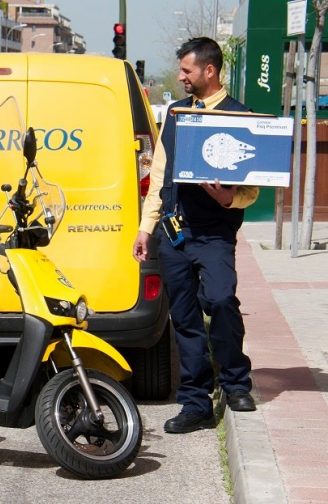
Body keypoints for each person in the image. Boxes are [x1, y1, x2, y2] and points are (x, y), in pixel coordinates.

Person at [132, 37, 260, 434]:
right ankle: (195, 403)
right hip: (174, 233)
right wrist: (146, 227)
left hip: (214, 234)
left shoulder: (241, 116)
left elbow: (253, 190)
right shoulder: (174, 113)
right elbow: (160, 177)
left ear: (209, 70)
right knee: (184, 319)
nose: (181, 77)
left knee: (221, 301)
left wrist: (228, 198)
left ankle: (236, 382)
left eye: (187, 70)